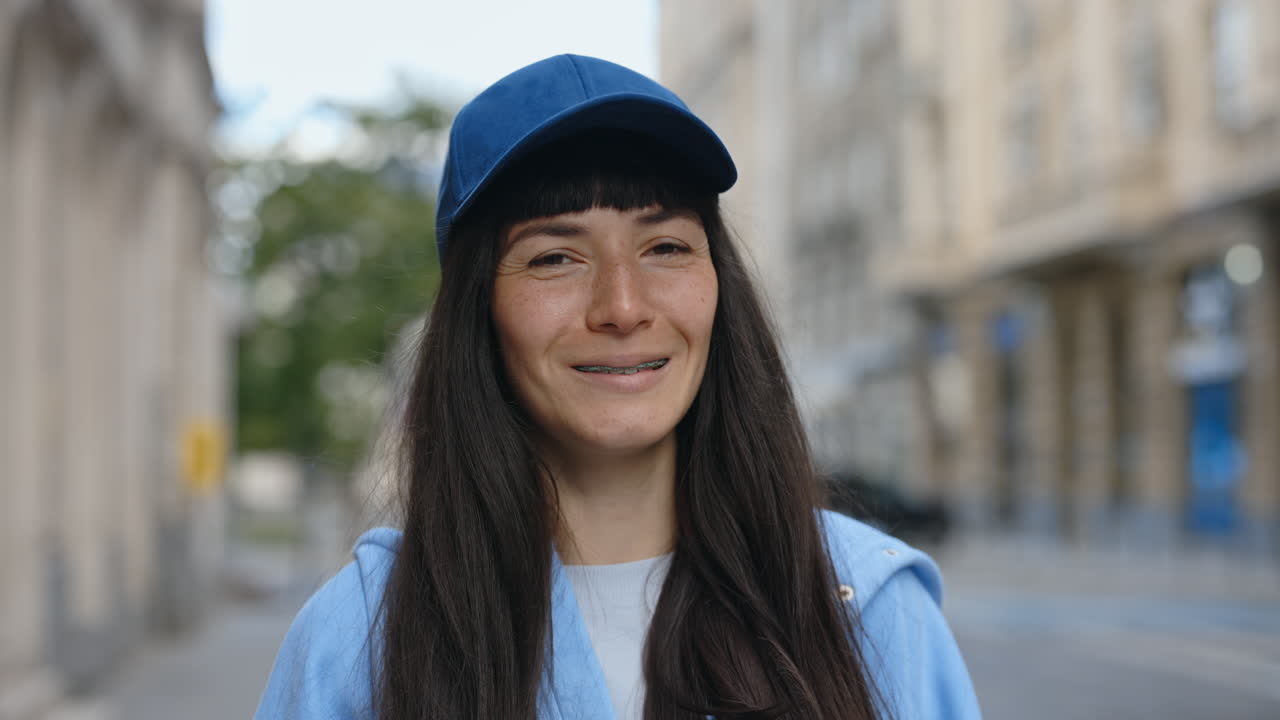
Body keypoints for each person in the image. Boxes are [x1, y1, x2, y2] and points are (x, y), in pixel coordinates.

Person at [254, 54, 982, 720]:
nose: (624, 307)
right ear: (480, 309)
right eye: (555, 258)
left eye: (665, 247)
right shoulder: (361, 637)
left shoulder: (868, 607)